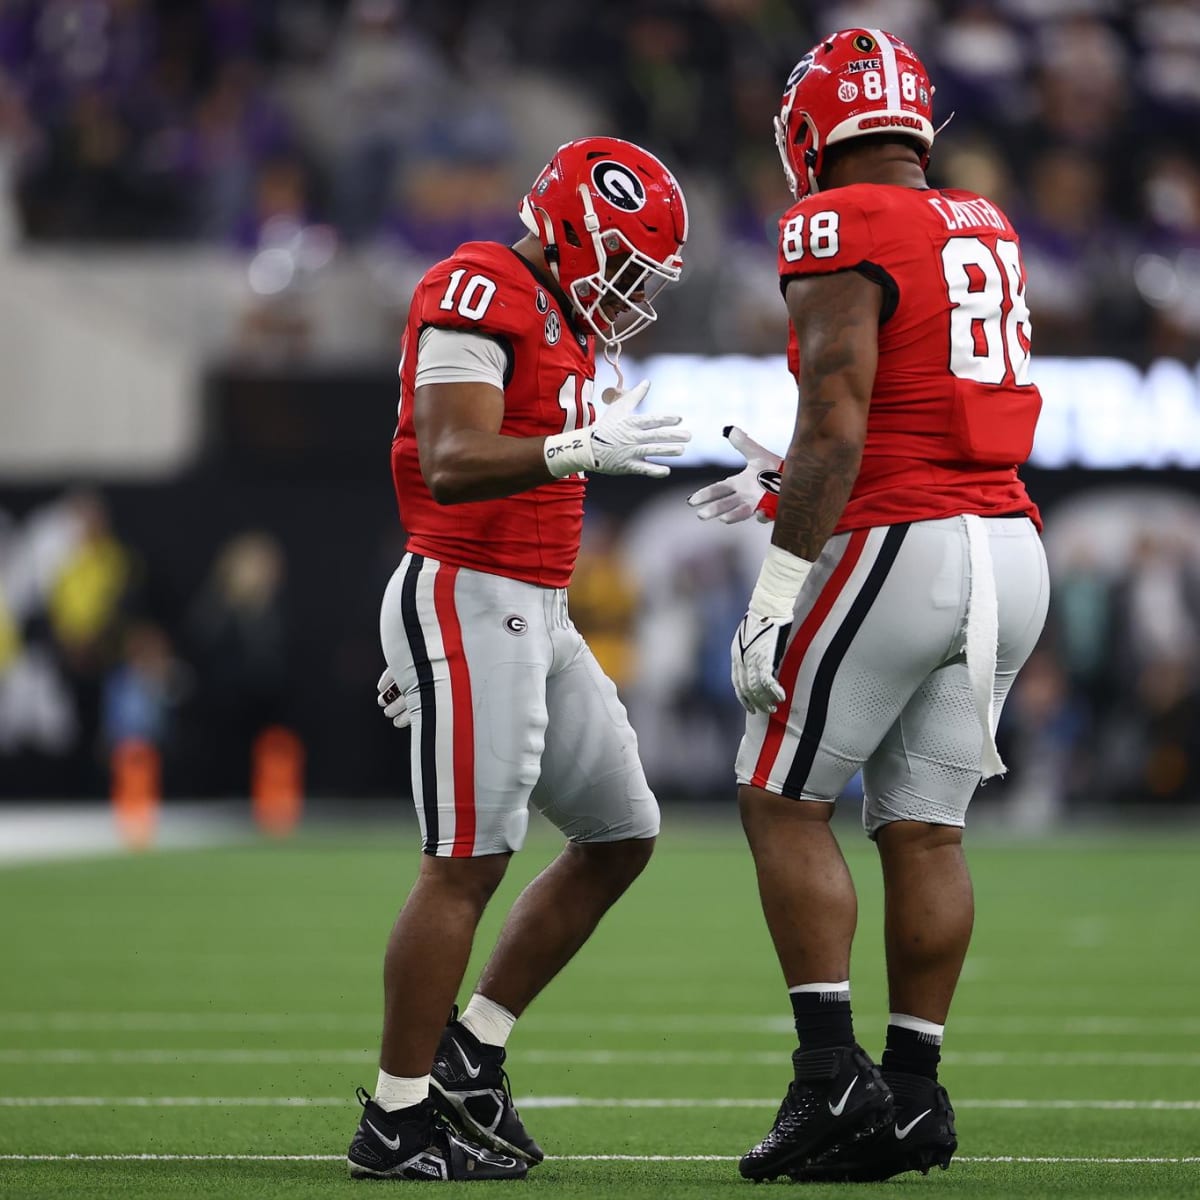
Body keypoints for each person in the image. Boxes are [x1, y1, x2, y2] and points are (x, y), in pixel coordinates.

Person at [688, 28, 1049, 1183]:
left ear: (812, 130)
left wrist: (779, 589)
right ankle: (914, 1094)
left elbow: (840, 413)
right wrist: (794, 482)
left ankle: (829, 1081)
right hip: (1009, 545)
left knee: (780, 800)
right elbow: (909, 402)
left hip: (906, 540)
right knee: (925, 828)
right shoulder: (983, 219)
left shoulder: (834, 220)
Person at [346, 136, 691, 1181]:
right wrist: (572, 449)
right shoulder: (479, 281)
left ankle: (472, 1048)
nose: (634, 298)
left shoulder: (565, 324)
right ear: (576, 232)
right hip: (467, 589)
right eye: (626, 268)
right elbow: (450, 460)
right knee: (467, 866)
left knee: (623, 832)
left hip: (532, 608)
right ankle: (397, 1119)